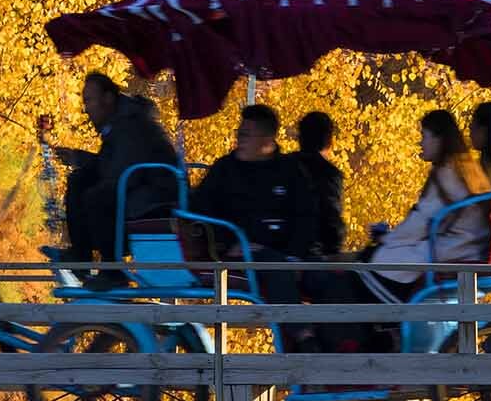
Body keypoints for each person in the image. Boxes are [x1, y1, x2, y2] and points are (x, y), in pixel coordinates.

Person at [189, 103, 319, 299]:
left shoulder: (291, 171)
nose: (239, 139)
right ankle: (297, 330)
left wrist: (295, 255)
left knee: (329, 277)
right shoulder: (224, 170)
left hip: (287, 252)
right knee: (275, 267)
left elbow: (306, 217)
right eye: (239, 133)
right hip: (246, 254)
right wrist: (229, 243)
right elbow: (201, 212)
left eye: (246, 135)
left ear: (267, 140)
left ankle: (339, 328)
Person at [362, 108, 491, 300]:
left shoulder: (447, 172)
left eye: (424, 136)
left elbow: (421, 221)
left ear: (439, 139)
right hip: (471, 244)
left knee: (377, 261)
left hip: (458, 247)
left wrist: (388, 239)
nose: (420, 143)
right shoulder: (466, 167)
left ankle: (394, 313)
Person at [51, 72, 179, 264]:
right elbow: (113, 164)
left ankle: (112, 270)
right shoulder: (119, 124)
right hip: (141, 191)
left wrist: (88, 168)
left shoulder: (131, 126)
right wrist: (77, 158)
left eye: (89, 100)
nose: (86, 109)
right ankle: (80, 255)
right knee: (80, 180)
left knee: (97, 196)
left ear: (108, 98)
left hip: (157, 202)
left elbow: (122, 173)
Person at [291, 109, 346, 261]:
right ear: (329, 140)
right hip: (311, 257)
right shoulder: (329, 174)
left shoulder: (280, 164)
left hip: (277, 253)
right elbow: (331, 218)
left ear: (299, 137)